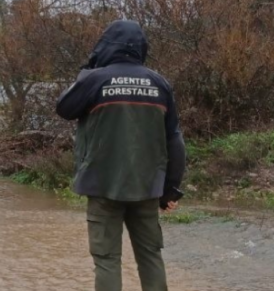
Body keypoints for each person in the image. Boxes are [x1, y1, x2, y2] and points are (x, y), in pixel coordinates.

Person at [56, 20, 186, 291]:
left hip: (101, 187)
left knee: (106, 260)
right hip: (148, 188)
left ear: (105, 45)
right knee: (150, 256)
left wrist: (89, 69)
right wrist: (171, 189)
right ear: (141, 47)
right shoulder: (160, 83)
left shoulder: (95, 79)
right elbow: (174, 139)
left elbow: (64, 108)